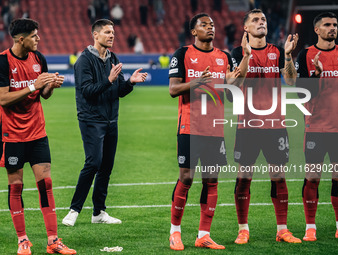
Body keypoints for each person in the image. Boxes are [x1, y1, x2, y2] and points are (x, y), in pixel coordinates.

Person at [0, 18, 76, 255]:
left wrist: (50, 85)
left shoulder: (39, 58)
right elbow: (3, 99)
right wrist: (33, 86)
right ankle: (23, 240)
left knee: (46, 184)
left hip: (37, 132)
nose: (38, 39)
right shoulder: (3, 61)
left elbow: (44, 95)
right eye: (34, 35)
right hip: (11, 134)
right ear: (21, 39)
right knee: (16, 186)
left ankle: (53, 240)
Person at [62, 19, 147, 227]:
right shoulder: (84, 61)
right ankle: (74, 210)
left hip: (111, 120)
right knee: (93, 162)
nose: (112, 36)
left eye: (113, 33)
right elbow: (88, 91)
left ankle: (99, 212)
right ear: (96, 35)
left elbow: (118, 91)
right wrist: (108, 80)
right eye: (108, 32)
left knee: (106, 166)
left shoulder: (113, 58)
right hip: (91, 119)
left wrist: (130, 83)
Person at [168, 13, 240, 250]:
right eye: (204, 25)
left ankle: (203, 235)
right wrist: (196, 83)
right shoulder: (183, 54)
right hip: (189, 126)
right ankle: (175, 232)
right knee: (186, 177)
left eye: (212, 24)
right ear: (193, 31)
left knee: (211, 180)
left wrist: (232, 83)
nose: (210, 27)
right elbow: (173, 89)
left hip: (215, 129)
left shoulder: (224, 57)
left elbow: (231, 97)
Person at [231, 9, 300, 244]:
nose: (261, 23)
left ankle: (282, 229)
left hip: (276, 125)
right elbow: (233, 87)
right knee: (244, 177)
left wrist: (289, 56)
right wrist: (247, 56)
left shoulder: (278, 52)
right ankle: (243, 229)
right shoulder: (236, 53)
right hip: (247, 125)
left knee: (279, 176)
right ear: (246, 28)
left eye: (263, 20)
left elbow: (291, 81)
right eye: (255, 21)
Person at [295, 12, 338, 241]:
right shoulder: (306, 55)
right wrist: (317, 76)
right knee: (312, 177)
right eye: (327, 25)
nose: (332, 28)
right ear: (317, 30)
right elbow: (301, 93)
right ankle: (310, 226)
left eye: (335, 25)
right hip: (316, 127)